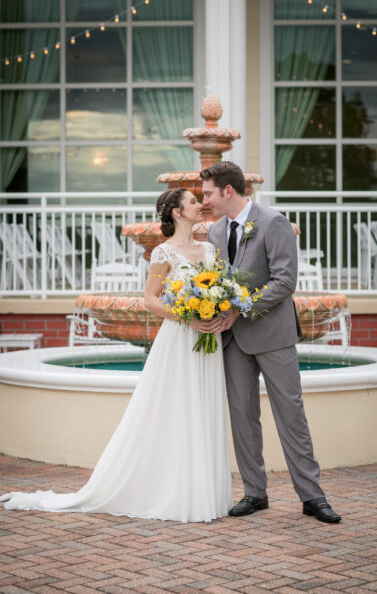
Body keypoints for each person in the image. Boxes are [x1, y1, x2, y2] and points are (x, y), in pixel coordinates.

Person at [0, 188, 233, 523]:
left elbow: (219, 286)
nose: (200, 206)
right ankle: (178, 492)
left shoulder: (210, 248)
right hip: (180, 338)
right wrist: (189, 317)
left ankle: (205, 493)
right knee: (177, 408)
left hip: (207, 340)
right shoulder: (163, 252)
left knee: (205, 405)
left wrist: (216, 309)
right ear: (178, 213)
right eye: (193, 202)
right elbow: (151, 299)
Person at [201, 161, 341, 524]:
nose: (205, 201)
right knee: (243, 418)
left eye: (208, 193)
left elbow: (284, 281)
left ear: (227, 190)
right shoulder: (215, 232)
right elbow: (217, 281)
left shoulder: (273, 222)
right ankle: (254, 492)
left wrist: (238, 309)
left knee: (291, 416)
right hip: (232, 341)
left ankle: (312, 497)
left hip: (273, 336)